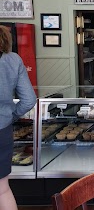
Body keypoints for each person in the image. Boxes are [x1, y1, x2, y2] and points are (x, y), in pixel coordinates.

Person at [0, 25, 36, 210]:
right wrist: (10, 114)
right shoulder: (13, 60)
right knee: (3, 189)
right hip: (3, 130)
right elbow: (29, 100)